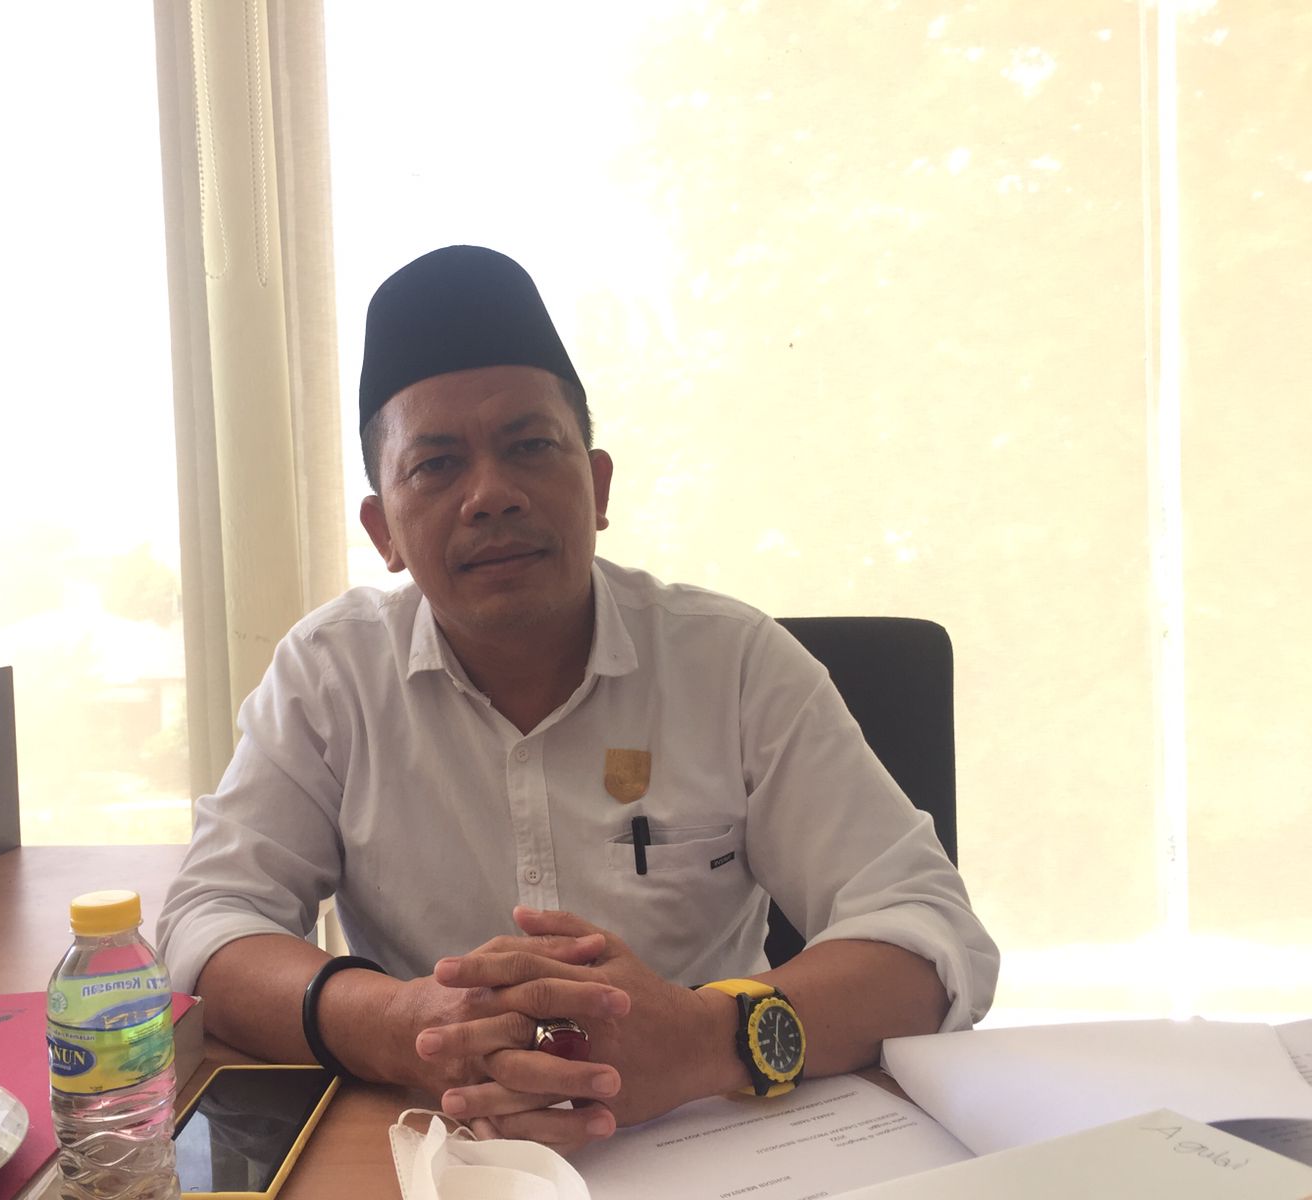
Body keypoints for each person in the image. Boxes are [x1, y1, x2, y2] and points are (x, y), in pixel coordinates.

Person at [156, 245, 999, 1154]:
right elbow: (208, 923)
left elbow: (932, 936)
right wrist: (399, 1025)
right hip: (435, 1137)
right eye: (436, 466)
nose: (491, 495)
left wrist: (705, 1039)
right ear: (382, 530)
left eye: (530, 447)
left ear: (596, 487)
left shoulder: (735, 663)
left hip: (714, 1133)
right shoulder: (329, 676)